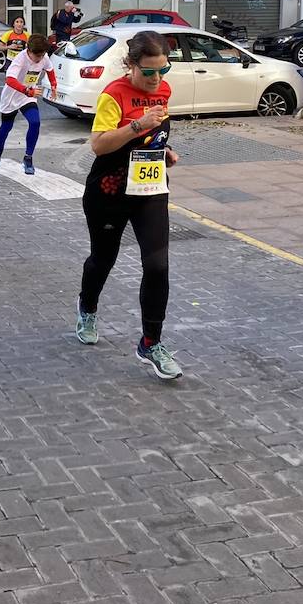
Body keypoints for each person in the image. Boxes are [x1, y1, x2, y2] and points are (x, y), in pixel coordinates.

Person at [75, 30, 183, 380]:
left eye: (162, 71)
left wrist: (162, 151)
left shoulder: (164, 91)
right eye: (148, 72)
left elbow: (156, 133)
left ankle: (151, 342)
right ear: (131, 65)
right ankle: (87, 306)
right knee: (103, 259)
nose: (156, 80)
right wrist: (138, 125)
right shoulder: (114, 95)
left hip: (150, 187)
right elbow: (99, 145)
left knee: (157, 265)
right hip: (109, 189)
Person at [0, 32, 57, 175]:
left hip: (28, 96)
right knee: (6, 127)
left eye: (42, 55)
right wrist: (26, 90)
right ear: (28, 51)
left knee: (35, 122)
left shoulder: (43, 57)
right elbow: (9, 80)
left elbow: (50, 70)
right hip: (12, 95)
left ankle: (28, 158)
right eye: (37, 56)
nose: (40, 59)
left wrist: (54, 86)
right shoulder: (20, 59)